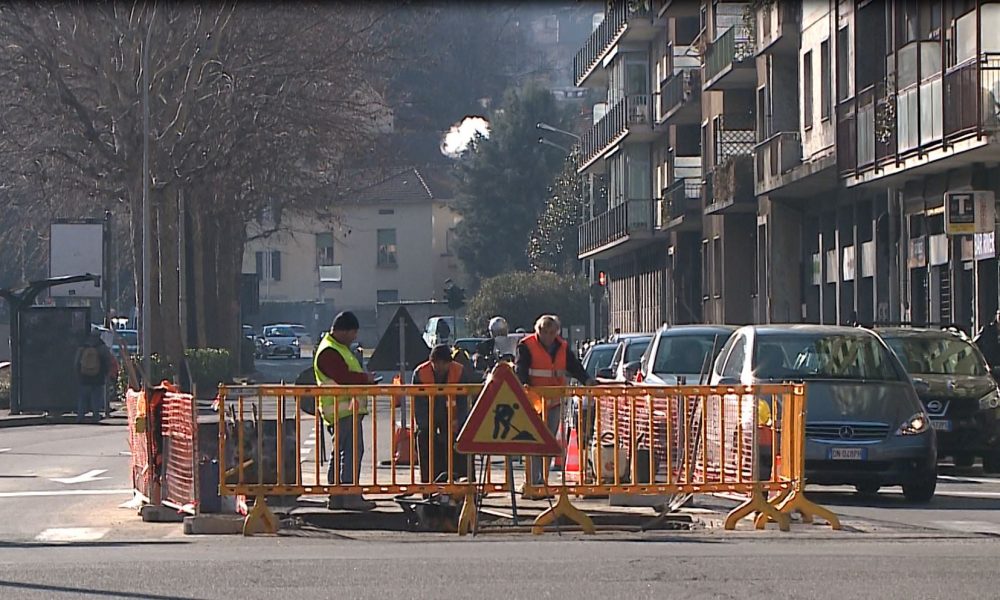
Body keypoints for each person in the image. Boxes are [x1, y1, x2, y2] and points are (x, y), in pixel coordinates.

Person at [516, 314, 595, 487]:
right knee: (534, 440)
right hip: (534, 403)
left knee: (548, 442)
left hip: (554, 402)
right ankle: (533, 481)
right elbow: (521, 369)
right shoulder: (526, 346)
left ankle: (541, 480)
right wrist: (524, 385)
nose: (548, 336)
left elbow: (575, 367)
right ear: (538, 331)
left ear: (556, 332)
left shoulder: (562, 347)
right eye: (544, 332)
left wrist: (587, 380)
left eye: (552, 332)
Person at [314, 311, 376, 511]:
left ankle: (338, 497)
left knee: (343, 452)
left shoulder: (338, 348)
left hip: (346, 409)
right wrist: (365, 379)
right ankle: (348, 496)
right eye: (353, 332)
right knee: (350, 453)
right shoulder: (330, 351)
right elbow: (343, 377)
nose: (355, 337)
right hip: (342, 410)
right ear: (344, 331)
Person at [412, 345, 474, 484]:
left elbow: (463, 402)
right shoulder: (420, 373)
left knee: (460, 443)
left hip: (453, 418)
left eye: (443, 363)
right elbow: (419, 405)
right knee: (425, 440)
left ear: (449, 363)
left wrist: (459, 422)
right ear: (431, 362)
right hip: (430, 418)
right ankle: (429, 486)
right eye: (436, 363)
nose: (440, 367)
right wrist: (427, 427)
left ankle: (462, 484)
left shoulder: (459, 372)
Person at [75, 332, 114, 422]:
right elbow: (108, 361)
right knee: (96, 398)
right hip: (98, 377)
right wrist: (106, 373)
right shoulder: (102, 347)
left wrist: (78, 373)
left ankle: (80, 416)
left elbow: (77, 362)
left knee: (83, 398)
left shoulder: (83, 347)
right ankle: (95, 416)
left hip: (84, 376)